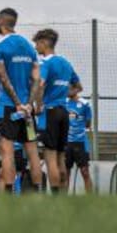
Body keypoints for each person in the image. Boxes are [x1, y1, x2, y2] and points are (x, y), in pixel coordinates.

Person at [0, 8, 42, 193]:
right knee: (33, 152)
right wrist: (28, 104)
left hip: (8, 107)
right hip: (27, 112)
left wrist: (17, 103)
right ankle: (37, 193)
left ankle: (7, 194)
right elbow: (36, 79)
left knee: (7, 151)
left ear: (1, 21)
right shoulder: (29, 46)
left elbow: (3, 77)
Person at [34, 28, 80, 194]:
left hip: (50, 112)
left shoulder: (45, 62)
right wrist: (62, 94)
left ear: (44, 43)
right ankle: (63, 195)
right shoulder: (66, 63)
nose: (36, 48)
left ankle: (54, 198)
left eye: (37, 44)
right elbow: (78, 87)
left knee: (50, 157)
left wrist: (38, 105)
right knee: (61, 157)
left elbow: (40, 84)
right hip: (63, 112)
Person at [64, 82, 94, 194]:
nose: (68, 91)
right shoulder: (64, 103)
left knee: (85, 171)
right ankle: (63, 199)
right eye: (67, 88)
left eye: (70, 88)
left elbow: (88, 123)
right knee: (65, 172)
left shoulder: (85, 104)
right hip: (66, 142)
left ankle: (90, 198)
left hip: (80, 142)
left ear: (76, 89)